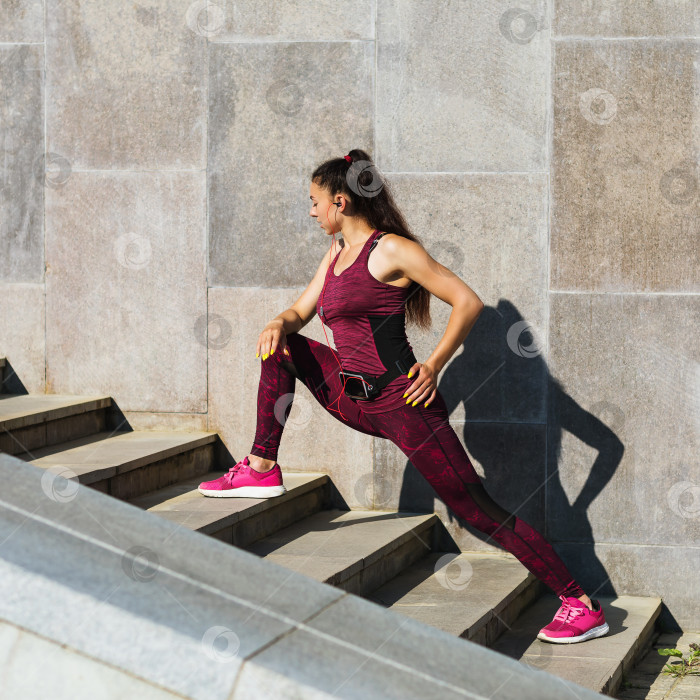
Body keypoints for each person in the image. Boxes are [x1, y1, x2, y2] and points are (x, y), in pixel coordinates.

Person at [198, 149, 609, 644]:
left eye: (314, 201)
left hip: (400, 404)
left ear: (341, 201)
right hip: (351, 399)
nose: (310, 212)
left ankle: (580, 603)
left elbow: (467, 301)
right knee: (279, 346)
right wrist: (276, 322)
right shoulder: (334, 255)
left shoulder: (390, 250)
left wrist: (433, 365)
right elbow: (299, 311)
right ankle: (261, 467)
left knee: (475, 507)